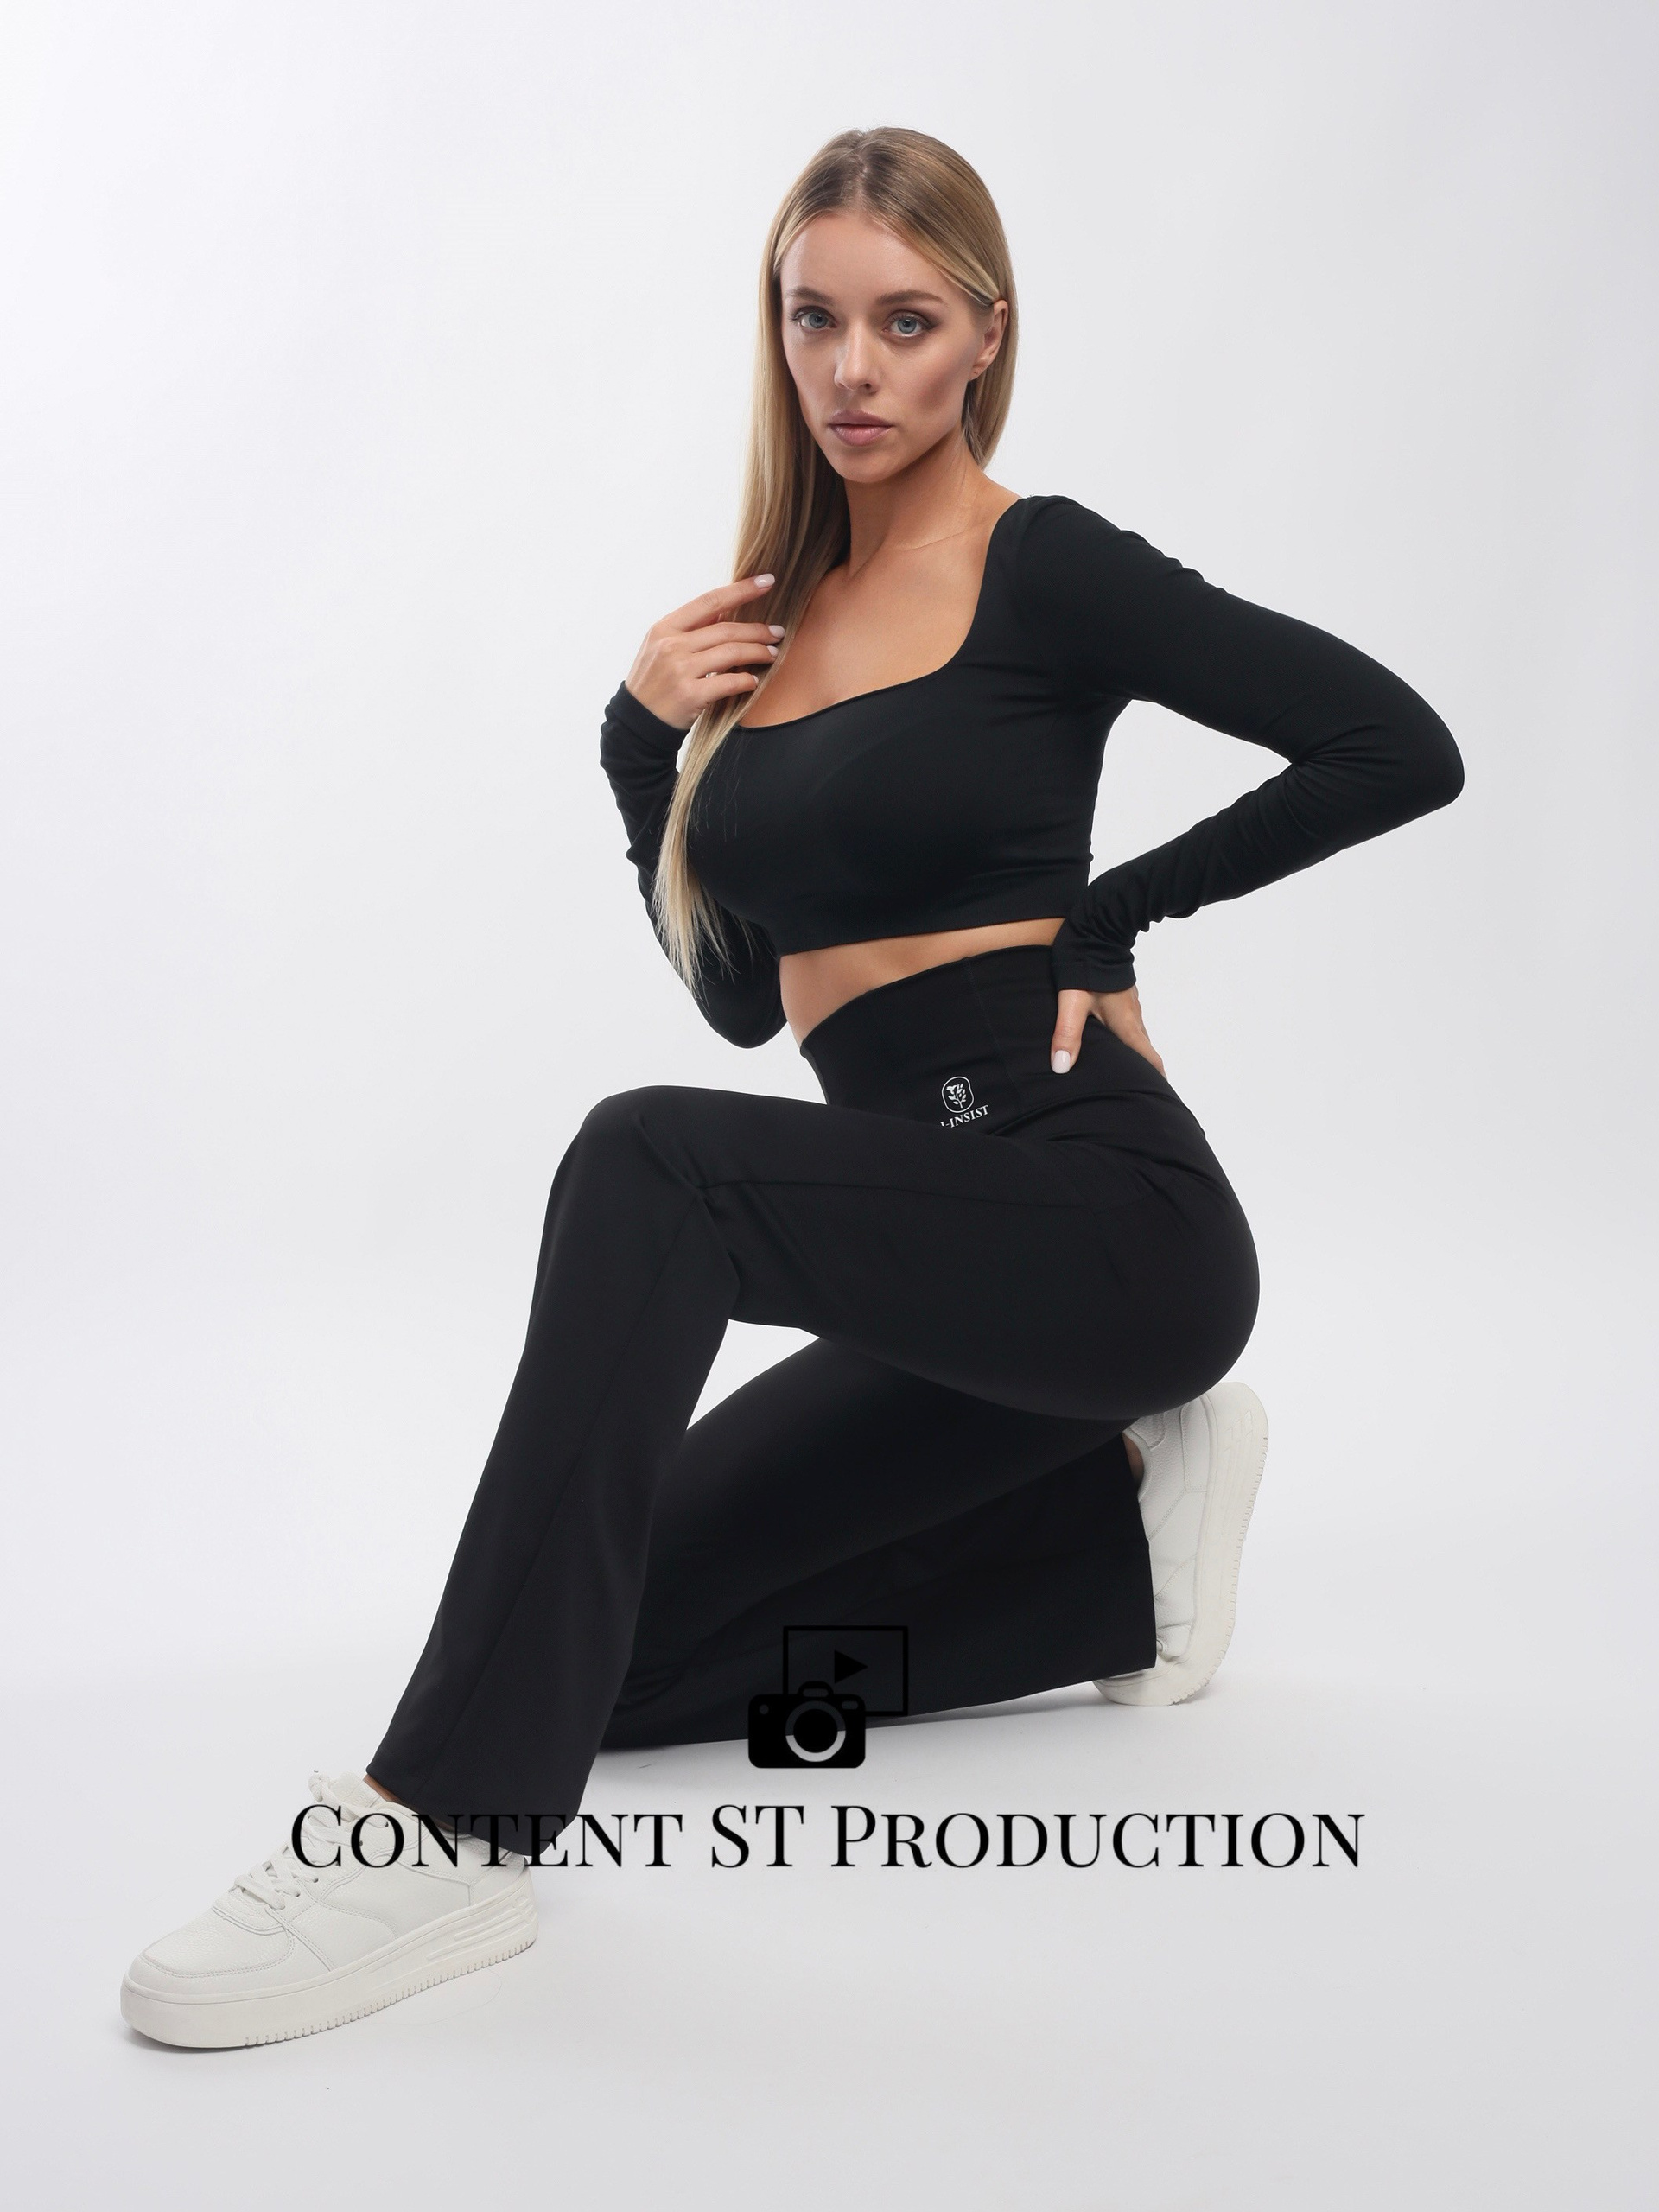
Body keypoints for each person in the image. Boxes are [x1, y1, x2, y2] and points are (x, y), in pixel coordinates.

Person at [121, 127, 1462, 2049]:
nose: (852, 365)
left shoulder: (1044, 565)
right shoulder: (766, 625)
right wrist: (636, 747)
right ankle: (1115, 1551)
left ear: (984, 336)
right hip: (937, 1278)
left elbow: (1393, 741)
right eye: (814, 317)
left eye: (904, 322)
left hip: (1101, 1217)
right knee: (600, 1651)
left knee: (647, 1161)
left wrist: (1109, 917)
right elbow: (749, 1007)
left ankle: (445, 1831)